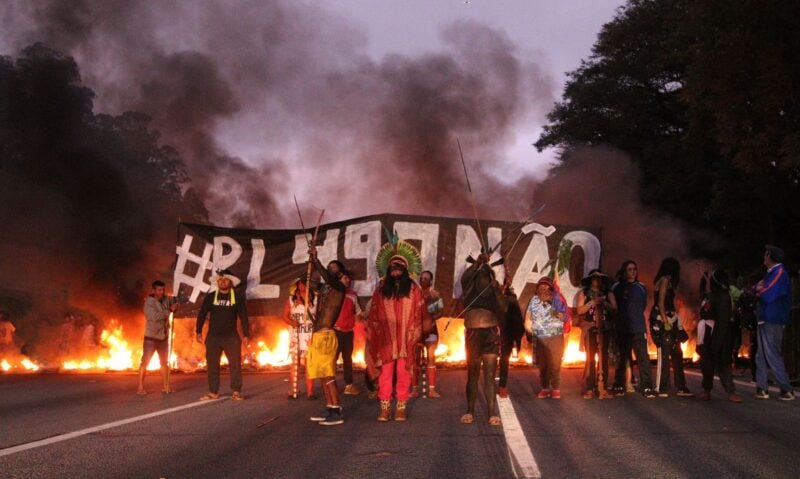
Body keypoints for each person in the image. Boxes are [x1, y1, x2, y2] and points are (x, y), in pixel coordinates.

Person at [367, 240, 425, 421]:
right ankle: (384, 408)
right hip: (386, 340)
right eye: (393, 267)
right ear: (388, 270)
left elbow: (420, 313)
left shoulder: (414, 289)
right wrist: (373, 334)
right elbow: (374, 314)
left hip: (406, 339)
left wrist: (417, 331)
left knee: (403, 372)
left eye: (399, 267)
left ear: (405, 269)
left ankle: (401, 407)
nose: (396, 270)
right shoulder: (381, 290)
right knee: (385, 374)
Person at [460, 253, 505, 425]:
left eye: (487, 276)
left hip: (491, 333)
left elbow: (504, 308)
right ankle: (470, 410)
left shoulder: (494, 291)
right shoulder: (469, 288)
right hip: (473, 333)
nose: (483, 280)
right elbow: (465, 278)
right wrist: (477, 263)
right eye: (481, 276)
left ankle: (492, 413)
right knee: (473, 373)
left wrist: (497, 290)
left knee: (489, 374)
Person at [196, 269, 250, 401]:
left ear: (230, 282)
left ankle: (236, 391)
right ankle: (213, 391)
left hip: (231, 337)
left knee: (235, 365)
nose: (222, 282)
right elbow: (202, 314)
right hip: (213, 337)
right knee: (212, 365)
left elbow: (243, 316)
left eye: (225, 279)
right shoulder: (211, 297)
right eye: (220, 280)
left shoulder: (237, 298)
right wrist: (198, 331)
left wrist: (246, 334)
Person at [306, 254, 347, 425]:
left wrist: (317, 261)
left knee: (328, 375)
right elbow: (312, 283)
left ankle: (336, 411)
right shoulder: (326, 289)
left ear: (341, 273)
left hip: (326, 337)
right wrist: (310, 266)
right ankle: (330, 407)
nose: (331, 269)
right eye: (329, 267)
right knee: (321, 375)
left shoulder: (338, 288)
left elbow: (327, 278)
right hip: (317, 337)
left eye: (334, 267)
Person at [610, 260, 656, 398]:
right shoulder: (617, 287)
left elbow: (642, 306)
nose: (633, 272)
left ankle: (646, 386)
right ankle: (619, 384)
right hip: (623, 328)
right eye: (629, 269)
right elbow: (613, 300)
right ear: (624, 272)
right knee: (622, 357)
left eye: (634, 269)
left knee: (643, 358)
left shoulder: (641, 287)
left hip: (638, 328)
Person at [754, 245, 795, 400]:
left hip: (772, 318)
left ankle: (786, 389)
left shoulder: (779, 273)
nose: (763, 258)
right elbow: (757, 287)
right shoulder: (771, 273)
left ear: (770, 257)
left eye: (765, 255)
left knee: (771, 353)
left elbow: (767, 294)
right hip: (765, 317)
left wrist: (758, 291)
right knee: (761, 355)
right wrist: (757, 289)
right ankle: (762, 387)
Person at [650, 257, 693, 398]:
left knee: (677, 352)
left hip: (670, 320)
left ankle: (681, 386)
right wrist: (666, 322)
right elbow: (661, 303)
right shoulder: (664, 281)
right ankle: (660, 387)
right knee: (665, 352)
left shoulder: (664, 281)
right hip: (663, 321)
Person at [697, 270, 741, 402]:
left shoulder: (724, 297)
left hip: (719, 334)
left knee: (724, 363)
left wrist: (716, 343)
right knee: (707, 364)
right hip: (706, 334)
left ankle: (731, 392)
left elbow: (722, 322)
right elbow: (702, 295)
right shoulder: (711, 295)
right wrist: (703, 281)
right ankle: (706, 390)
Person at [525, 277, 569, 399]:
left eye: (546, 287)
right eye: (541, 287)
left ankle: (555, 388)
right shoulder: (533, 300)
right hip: (540, 337)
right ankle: (544, 387)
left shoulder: (557, 300)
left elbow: (565, 317)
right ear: (537, 289)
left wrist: (554, 309)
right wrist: (529, 330)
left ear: (551, 288)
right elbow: (528, 317)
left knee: (555, 364)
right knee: (543, 365)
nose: (543, 289)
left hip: (555, 336)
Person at [575, 269, 614, 399]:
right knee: (591, 358)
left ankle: (602, 386)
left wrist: (604, 302)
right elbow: (580, 310)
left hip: (604, 329)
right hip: (591, 329)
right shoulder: (584, 293)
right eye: (594, 278)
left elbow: (615, 309)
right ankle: (590, 387)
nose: (596, 281)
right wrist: (592, 302)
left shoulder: (607, 293)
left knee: (604, 357)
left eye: (599, 279)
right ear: (591, 280)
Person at [137, 280, 177, 395]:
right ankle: (140, 386)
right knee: (145, 362)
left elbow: (176, 300)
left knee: (164, 363)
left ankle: (166, 386)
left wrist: (176, 303)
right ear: (153, 290)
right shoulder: (149, 303)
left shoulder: (166, 299)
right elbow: (154, 317)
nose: (162, 292)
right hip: (151, 338)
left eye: (163, 289)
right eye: (159, 290)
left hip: (163, 337)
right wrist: (169, 310)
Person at [282, 277, 317, 399]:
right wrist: (292, 322)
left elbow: (319, 316)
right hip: (296, 334)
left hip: (309, 335)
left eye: (305, 284)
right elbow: (285, 316)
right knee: (294, 362)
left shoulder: (316, 300)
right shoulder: (291, 300)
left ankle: (310, 391)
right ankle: (293, 389)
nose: (302, 286)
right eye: (300, 284)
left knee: (309, 363)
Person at [412, 270, 444, 398]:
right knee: (415, 359)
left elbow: (440, 311)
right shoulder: (415, 294)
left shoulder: (435, 295)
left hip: (431, 330)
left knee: (431, 357)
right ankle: (414, 389)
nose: (423, 280)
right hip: (417, 330)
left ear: (431, 281)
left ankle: (431, 389)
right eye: (422, 278)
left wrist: (430, 320)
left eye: (426, 278)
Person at [335, 271, 362, 396]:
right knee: (332, 359)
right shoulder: (333, 292)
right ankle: (330, 384)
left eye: (349, 278)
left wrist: (364, 317)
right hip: (335, 331)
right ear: (339, 279)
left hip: (348, 332)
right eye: (345, 278)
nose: (348, 280)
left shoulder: (352, 294)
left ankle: (349, 385)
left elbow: (358, 311)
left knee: (347, 359)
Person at [498, 277, 524, 398]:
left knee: (504, 360)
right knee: (490, 361)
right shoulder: (487, 298)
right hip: (491, 335)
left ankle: (502, 386)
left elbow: (517, 321)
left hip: (506, 335)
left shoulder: (512, 301)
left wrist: (516, 340)